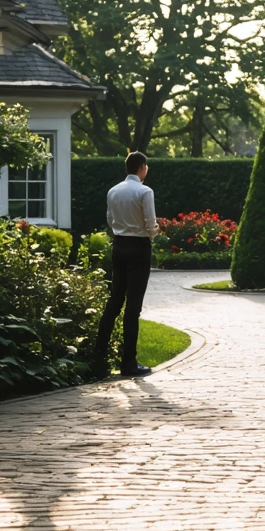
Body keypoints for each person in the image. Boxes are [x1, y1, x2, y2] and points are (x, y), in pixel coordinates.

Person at [94, 151, 159, 377]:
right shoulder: (145, 191)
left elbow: (110, 219)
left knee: (115, 300)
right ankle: (129, 361)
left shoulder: (113, 191)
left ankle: (98, 356)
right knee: (133, 306)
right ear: (142, 167)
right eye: (146, 166)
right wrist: (156, 230)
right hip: (139, 248)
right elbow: (150, 224)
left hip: (119, 246)